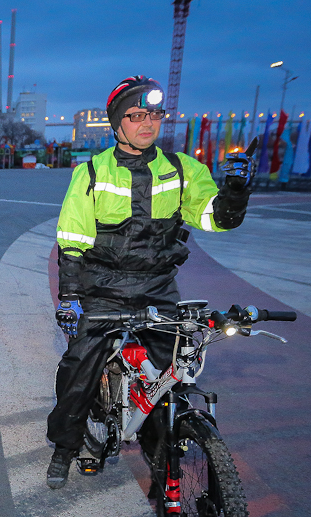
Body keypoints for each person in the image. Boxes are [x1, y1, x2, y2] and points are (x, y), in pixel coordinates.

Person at [46, 75, 256, 489]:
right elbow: (71, 241)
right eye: (136, 115)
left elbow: (216, 219)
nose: (148, 123)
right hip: (101, 289)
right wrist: (70, 298)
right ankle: (66, 446)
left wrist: (235, 192)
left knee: (169, 374)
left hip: (159, 289)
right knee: (78, 369)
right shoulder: (92, 172)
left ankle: (162, 451)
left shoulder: (184, 169)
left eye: (154, 114)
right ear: (117, 123)